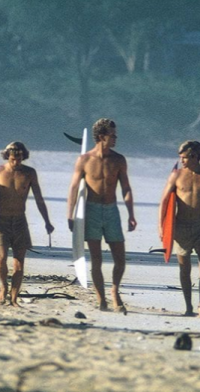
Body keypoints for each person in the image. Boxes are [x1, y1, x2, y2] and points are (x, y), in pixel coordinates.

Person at [67, 119, 136, 313]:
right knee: (96, 259)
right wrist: (70, 215)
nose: (115, 138)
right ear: (101, 137)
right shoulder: (84, 160)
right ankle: (101, 298)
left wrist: (131, 214)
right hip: (91, 211)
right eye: (112, 135)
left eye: (115, 135)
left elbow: (126, 188)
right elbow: (73, 188)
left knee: (120, 258)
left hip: (112, 210)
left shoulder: (118, 160)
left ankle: (114, 291)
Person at [158, 140, 200, 317]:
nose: (181, 161)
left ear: (194, 156)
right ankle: (188, 306)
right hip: (180, 227)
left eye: (184, 157)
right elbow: (164, 201)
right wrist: (162, 227)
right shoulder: (176, 176)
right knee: (185, 268)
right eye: (180, 158)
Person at [0, 141, 55, 307]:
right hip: (0, 221)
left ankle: (14, 298)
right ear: (7, 156)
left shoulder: (29, 173)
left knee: (19, 264)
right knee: (1, 259)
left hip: (20, 222)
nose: (16, 162)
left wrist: (47, 221)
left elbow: (39, 199)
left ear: (23, 156)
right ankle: (3, 288)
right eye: (12, 159)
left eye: (19, 159)